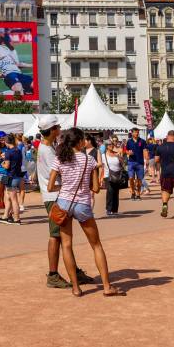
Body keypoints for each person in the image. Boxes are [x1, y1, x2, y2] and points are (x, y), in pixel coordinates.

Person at [48, 127, 120, 297]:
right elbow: (95, 188)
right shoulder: (89, 160)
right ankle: (107, 286)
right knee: (96, 245)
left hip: (64, 203)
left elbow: (50, 186)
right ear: (80, 142)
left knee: (66, 245)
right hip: (82, 204)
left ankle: (75, 287)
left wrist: (64, 186)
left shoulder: (60, 158)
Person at [36, 115, 92, 289]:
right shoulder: (47, 150)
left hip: (58, 195)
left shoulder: (48, 147)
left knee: (64, 237)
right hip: (54, 196)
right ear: (53, 130)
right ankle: (53, 274)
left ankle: (73, 271)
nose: (60, 129)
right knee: (56, 236)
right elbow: (58, 174)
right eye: (58, 127)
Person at [0, 27, 34, 95]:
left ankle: (1, 94)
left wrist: (32, 65)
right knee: (19, 92)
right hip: (9, 75)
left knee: (34, 89)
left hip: (19, 74)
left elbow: (17, 64)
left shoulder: (5, 48)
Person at [0, 134, 24, 225]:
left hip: (11, 176)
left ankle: (17, 218)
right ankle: (5, 216)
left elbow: (7, 166)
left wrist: (3, 163)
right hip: (17, 175)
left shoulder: (8, 152)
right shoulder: (18, 150)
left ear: (6, 142)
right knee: (8, 197)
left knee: (13, 199)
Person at [124, 128, 147, 200]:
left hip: (140, 163)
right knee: (131, 178)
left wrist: (147, 160)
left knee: (139, 180)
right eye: (135, 132)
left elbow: (145, 150)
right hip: (131, 162)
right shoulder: (129, 141)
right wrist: (128, 153)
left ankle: (138, 194)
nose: (137, 134)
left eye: (137, 132)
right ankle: (133, 192)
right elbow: (125, 150)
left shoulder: (142, 141)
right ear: (132, 133)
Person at [103, 139, 124, 216]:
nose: (111, 146)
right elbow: (101, 167)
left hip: (117, 175)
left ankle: (115, 210)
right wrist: (100, 178)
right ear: (106, 146)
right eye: (109, 145)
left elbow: (122, 164)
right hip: (108, 176)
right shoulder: (103, 155)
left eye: (112, 144)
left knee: (116, 192)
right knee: (110, 192)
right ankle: (109, 209)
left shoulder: (117, 154)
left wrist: (120, 158)